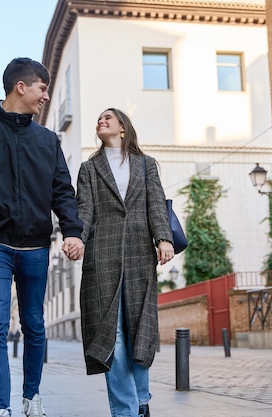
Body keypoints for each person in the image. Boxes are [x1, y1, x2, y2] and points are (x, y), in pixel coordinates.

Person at [0, 57, 84, 417]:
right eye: (42, 88)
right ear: (20, 87)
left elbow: (62, 191)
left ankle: (31, 397)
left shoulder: (47, 140)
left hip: (36, 247)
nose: (46, 96)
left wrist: (72, 231)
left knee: (34, 325)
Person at [76, 108, 174, 417]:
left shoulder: (146, 165)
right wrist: (76, 237)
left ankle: (141, 400)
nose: (101, 121)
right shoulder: (89, 168)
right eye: (99, 119)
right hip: (101, 256)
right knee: (111, 336)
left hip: (139, 255)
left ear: (122, 128)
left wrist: (164, 238)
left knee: (138, 332)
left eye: (108, 117)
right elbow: (85, 210)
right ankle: (126, 410)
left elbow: (156, 203)